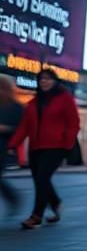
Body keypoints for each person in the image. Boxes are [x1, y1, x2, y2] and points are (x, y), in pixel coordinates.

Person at [8, 69, 80, 229]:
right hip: (35, 147)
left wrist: (67, 144)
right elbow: (24, 126)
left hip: (56, 147)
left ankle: (36, 216)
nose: (44, 81)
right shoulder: (34, 102)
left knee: (42, 179)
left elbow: (73, 122)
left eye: (48, 79)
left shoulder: (65, 99)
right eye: (41, 79)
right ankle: (55, 203)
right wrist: (13, 144)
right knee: (40, 180)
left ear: (55, 81)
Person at [0, 76, 23, 215]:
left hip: (2, 147)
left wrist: (4, 128)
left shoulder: (16, 107)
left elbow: (19, 129)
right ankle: (13, 198)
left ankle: (13, 198)